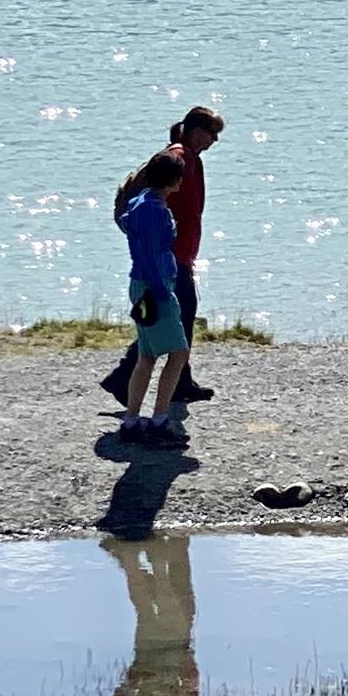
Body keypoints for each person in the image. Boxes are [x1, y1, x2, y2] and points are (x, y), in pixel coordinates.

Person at [101, 107, 223, 411]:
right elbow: (161, 199)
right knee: (176, 315)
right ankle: (126, 378)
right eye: (212, 134)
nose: (214, 140)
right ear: (197, 131)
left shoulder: (189, 158)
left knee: (178, 316)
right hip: (170, 255)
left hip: (178, 253)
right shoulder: (180, 158)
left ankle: (178, 382)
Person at [114, 151, 194, 446]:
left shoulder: (140, 202)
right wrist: (161, 291)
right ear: (173, 180)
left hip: (142, 284)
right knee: (179, 352)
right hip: (155, 286)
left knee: (147, 356)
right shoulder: (154, 210)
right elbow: (149, 254)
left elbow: (131, 231)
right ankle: (159, 420)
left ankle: (132, 421)